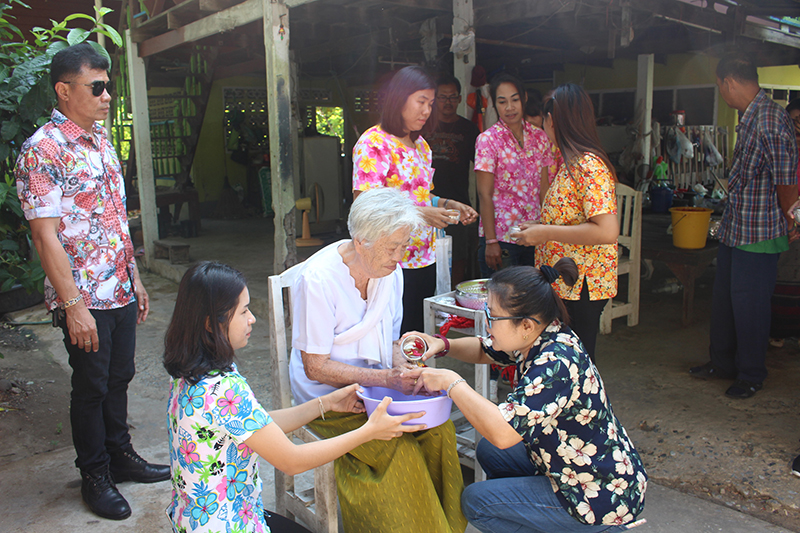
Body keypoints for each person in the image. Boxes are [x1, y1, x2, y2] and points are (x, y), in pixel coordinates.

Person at [14, 43, 168, 521]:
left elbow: (116, 220)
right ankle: (95, 473)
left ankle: (121, 455)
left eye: (108, 86)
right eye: (95, 87)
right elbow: (45, 236)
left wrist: (136, 277)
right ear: (64, 90)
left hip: (118, 286)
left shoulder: (100, 140)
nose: (106, 96)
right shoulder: (42, 150)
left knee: (120, 376)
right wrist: (74, 304)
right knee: (91, 386)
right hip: (82, 294)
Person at [163, 261, 424, 533]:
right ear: (210, 324)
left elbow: (256, 424)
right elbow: (291, 460)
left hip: (195, 520)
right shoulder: (224, 388)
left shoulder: (190, 374)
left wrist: (324, 403)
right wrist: (369, 431)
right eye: (243, 312)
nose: (252, 318)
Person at [404, 260, 647, 533]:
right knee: (490, 451)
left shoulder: (555, 364)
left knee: (477, 502)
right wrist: (443, 344)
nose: (488, 323)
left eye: (493, 316)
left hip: (597, 492)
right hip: (569, 464)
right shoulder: (542, 335)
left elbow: (504, 433)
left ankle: (599, 529)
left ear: (527, 325)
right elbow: (487, 350)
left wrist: (452, 383)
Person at [289, 188, 467, 533]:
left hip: (376, 383)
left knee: (439, 431)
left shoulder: (389, 271)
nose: (399, 257)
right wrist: (387, 379)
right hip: (328, 396)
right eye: (392, 248)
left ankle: (445, 525)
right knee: (399, 449)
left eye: (403, 246)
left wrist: (405, 363)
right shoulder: (318, 280)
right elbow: (316, 367)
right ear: (361, 241)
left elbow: (391, 340)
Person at [689, 54, 799, 399]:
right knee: (724, 302)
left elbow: (786, 181)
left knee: (750, 307)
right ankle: (721, 363)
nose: (722, 94)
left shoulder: (770, 120)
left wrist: (792, 219)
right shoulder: (750, 117)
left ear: (729, 82)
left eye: (721, 87)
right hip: (737, 227)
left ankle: (751, 374)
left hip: (761, 232)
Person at [352, 66, 478, 334]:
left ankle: (414, 376)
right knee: (388, 334)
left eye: (430, 104)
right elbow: (365, 207)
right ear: (399, 99)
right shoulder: (374, 143)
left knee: (415, 333)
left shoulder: (420, 145)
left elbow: (421, 195)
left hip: (423, 256)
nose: (427, 111)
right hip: (388, 260)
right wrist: (422, 214)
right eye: (421, 102)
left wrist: (446, 204)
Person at [514, 83, 619, 363]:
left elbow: (607, 230)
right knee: (568, 358)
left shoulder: (588, 165)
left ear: (552, 120)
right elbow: (571, 218)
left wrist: (544, 232)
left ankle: (586, 407)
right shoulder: (569, 163)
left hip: (583, 283)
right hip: (567, 281)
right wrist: (539, 227)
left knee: (579, 361)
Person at [475, 72, 555, 278]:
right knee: (503, 303)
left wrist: (548, 230)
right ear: (495, 104)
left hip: (534, 234)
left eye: (515, 100)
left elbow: (544, 188)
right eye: (502, 102)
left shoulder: (540, 137)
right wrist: (491, 241)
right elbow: (485, 194)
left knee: (533, 301)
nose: (509, 107)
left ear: (524, 98)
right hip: (502, 239)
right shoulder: (488, 140)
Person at [425, 74, 481, 285]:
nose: (447, 102)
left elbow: (481, 170)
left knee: (457, 257)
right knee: (428, 256)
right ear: (435, 99)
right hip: (426, 204)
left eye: (452, 97)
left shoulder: (469, 130)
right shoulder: (424, 128)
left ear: (459, 99)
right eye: (442, 97)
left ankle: (452, 301)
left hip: (457, 202)